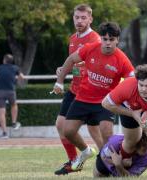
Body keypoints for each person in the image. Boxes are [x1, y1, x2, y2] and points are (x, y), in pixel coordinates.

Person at [52, 21, 135, 173]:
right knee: (67, 131)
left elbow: (132, 80)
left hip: (105, 102)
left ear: (117, 40)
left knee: (106, 133)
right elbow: (71, 59)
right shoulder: (90, 48)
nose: (108, 43)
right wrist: (59, 82)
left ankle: (112, 166)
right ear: (101, 39)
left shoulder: (122, 59)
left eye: (111, 39)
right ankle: (85, 151)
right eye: (105, 39)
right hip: (82, 98)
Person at [53, 4, 101, 175]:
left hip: (90, 92)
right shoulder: (73, 38)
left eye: (83, 18)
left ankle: (106, 162)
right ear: (73, 18)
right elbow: (75, 64)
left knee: (96, 131)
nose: (79, 21)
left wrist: (69, 67)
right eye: (76, 17)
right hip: (74, 89)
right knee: (60, 125)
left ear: (90, 19)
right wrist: (64, 68)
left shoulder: (95, 39)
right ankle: (74, 160)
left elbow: (95, 66)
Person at [102, 64, 147, 177]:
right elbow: (105, 104)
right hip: (130, 109)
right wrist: (132, 114)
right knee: (132, 141)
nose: (144, 89)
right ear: (137, 81)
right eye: (141, 85)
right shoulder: (128, 85)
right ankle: (123, 161)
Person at [0, 54, 24, 138]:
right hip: (11, 90)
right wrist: (15, 81)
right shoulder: (15, 68)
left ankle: (4, 133)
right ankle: (14, 122)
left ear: (4, 60)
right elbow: (22, 77)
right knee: (14, 105)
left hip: (0, 91)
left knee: (2, 112)